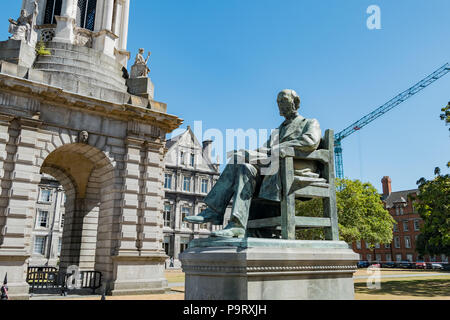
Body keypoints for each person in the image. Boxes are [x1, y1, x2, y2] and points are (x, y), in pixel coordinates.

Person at [184, 89, 322, 238]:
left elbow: (310, 142)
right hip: (274, 163)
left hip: (296, 165)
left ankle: (214, 211)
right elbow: (265, 149)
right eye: (278, 102)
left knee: (239, 158)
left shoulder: (309, 122)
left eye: (284, 100)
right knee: (244, 166)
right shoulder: (278, 130)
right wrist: (250, 153)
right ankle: (236, 224)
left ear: (295, 102)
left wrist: (279, 148)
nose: (280, 105)